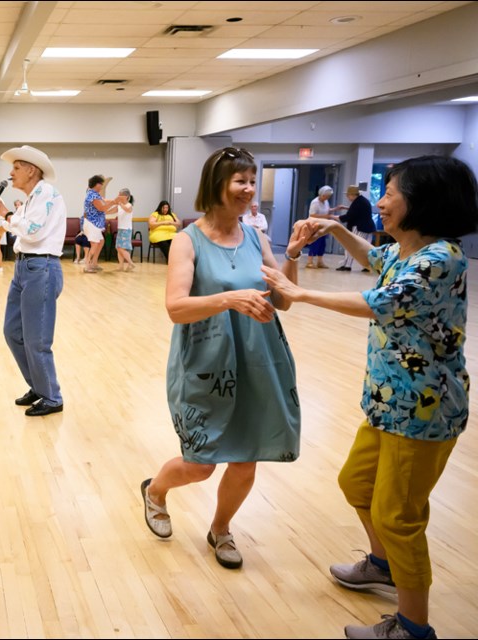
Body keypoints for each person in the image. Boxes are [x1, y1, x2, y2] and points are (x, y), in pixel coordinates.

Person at [261, 155, 478, 640]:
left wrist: (298, 293)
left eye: (391, 192)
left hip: (423, 410)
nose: (380, 200)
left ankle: (412, 627)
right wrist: (333, 230)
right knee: (358, 486)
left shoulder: (439, 258)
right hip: (387, 403)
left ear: (422, 202)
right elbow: (372, 259)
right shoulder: (404, 250)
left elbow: (376, 303)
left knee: (398, 517)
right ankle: (383, 565)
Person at [140, 147, 308, 570]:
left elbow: (283, 301)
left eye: (252, 181)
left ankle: (221, 528)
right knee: (200, 463)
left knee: (246, 456)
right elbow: (176, 307)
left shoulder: (256, 237)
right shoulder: (187, 240)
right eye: (241, 181)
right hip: (207, 360)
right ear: (216, 184)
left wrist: (292, 258)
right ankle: (156, 492)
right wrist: (230, 298)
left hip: (259, 357)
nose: (249, 190)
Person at [0, 145, 66, 417]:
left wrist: (5, 214)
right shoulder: (33, 198)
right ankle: (39, 386)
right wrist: (4, 221)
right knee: (13, 332)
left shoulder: (46, 194)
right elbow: (18, 225)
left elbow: (31, 231)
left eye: (16, 168)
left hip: (40, 268)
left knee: (36, 339)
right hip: (24, 268)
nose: (11, 173)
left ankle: (52, 397)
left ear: (32, 170)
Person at [82, 175, 120, 273]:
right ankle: (87, 265)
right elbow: (101, 207)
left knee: (101, 241)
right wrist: (113, 203)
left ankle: (94, 263)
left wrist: (115, 201)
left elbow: (104, 200)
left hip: (95, 224)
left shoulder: (96, 194)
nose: (102, 186)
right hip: (91, 223)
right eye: (101, 184)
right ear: (96, 184)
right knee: (94, 244)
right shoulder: (92, 195)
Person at [336, 185, 376, 272]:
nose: (347, 197)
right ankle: (367, 266)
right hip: (368, 227)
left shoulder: (358, 202)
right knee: (367, 248)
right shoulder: (362, 201)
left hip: (360, 227)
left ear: (353, 195)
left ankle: (347, 265)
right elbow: (357, 210)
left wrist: (334, 217)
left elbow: (349, 216)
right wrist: (345, 207)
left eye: (348, 195)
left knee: (351, 246)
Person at [304, 185, 337, 269]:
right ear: (322, 195)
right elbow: (312, 214)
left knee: (322, 244)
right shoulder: (315, 202)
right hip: (314, 225)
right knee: (315, 243)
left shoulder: (326, 202)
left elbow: (327, 210)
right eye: (327, 196)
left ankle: (320, 262)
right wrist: (327, 216)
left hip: (323, 225)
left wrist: (336, 209)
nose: (328, 197)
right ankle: (310, 261)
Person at [114, 188, 135, 272]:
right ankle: (121, 266)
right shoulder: (119, 206)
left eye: (120, 195)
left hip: (126, 229)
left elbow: (128, 210)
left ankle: (130, 263)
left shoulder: (129, 205)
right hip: (120, 229)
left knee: (121, 248)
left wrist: (120, 204)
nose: (118, 196)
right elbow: (111, 211)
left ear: (126, 196)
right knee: (118, 248)